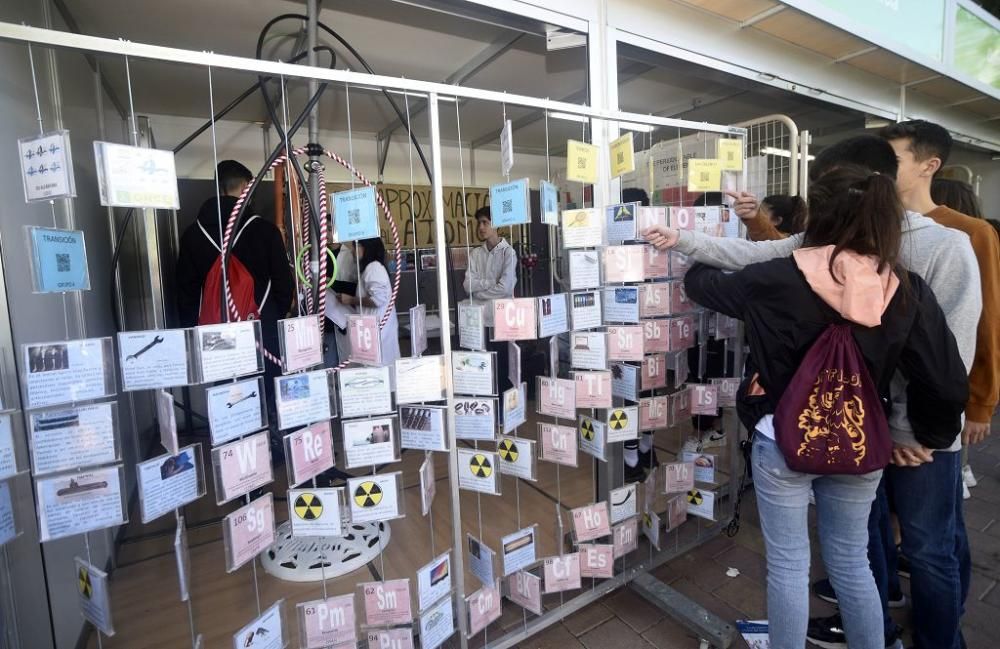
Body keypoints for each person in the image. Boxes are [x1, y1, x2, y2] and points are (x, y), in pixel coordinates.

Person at [645, 134, 982, 649]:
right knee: (852, 560)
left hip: (782, 436)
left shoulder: (780, 274)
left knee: (787, 562)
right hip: (864, 441)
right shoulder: (906, 287)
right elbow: (944, 377)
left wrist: (694, 253)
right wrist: (927, 435)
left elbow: (706, 285)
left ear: (815, 211)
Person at [176, 160, 294, 455]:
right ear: (244, 187)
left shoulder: (192, 235)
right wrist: (272, 318)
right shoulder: (265, 231)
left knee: (226, 390)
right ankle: (266, 449)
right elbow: (283, 284)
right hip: (259, 331)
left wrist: (192, 332)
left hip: (216, 336)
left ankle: (231, 452)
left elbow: (186, 292)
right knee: (263, 387)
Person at [463, 206, 518, 392]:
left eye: (485, 222)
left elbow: (505, 288)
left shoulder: (508, 253)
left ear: (496, 225)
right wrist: (489, 283)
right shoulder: (475, 254)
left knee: (502, 368)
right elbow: (467, 285)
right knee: (482, 366)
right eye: (479, 223)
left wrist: (478, 293)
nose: (481, 227)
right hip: (479, 321)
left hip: (501, 320)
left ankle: (503, 414)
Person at [337, 237, 400, 388]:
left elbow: (378, 299)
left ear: (366, 248)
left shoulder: (374, 268)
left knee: (378, 378)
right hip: (373, 333)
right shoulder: (370, 269)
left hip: (377, 334)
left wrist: (351, 300)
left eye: (356, 246)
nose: (353, 251)